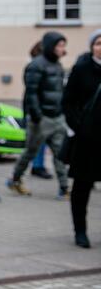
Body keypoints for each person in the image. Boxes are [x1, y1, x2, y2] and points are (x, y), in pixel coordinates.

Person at [7, 31, 70, 199]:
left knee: (60, 153)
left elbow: (60, 91)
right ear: (50, 46)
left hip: (57, 117)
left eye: (64, 45)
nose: (62, 49)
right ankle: (14, 179)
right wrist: (37, 116)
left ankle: (64, 188)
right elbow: (31, 93)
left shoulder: (57, 65)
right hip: (40, 119)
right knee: (30, 152)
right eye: (59, 45)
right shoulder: (36, 65)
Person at [62, 29, 101, 248]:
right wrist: (79, 126)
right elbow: (67, 102)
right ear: (91, 46)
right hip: (87, 140)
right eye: (98, 43)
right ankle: (80, 230)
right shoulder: (81, 69)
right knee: (82, 187)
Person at [28, 41, 53, 179]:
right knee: (37, 142)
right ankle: (35, 167)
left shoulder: (49, 66)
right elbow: (32, 92)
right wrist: (36, 113)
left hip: (46, 110)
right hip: (38, 111)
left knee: (42, 142)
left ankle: (38, 166)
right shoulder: (35, 67)